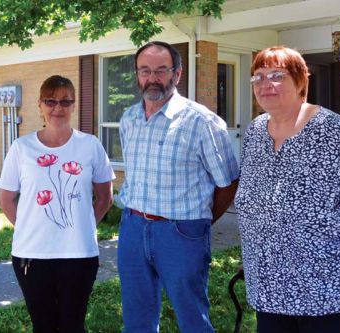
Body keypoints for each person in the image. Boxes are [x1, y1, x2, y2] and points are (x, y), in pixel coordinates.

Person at [235, 46, 340, 333]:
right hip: (273, 292)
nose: (265, 84)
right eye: (258, 76)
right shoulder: (256, 132)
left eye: (277, 75)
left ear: (301, 82)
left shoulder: (333, 132)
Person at [118, 41, 240, 333]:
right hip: (133, 228)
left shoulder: (201, 121)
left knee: (192, 316)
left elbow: (229, 182)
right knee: (136, 316)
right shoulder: (129, 119)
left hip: (181, 233)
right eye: (145, 70)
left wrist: (201, 221)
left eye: (161, 70)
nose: (152, 78)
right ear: (137, 74)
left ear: (177, 74)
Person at [0, 75, 115, 333]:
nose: (57, 108)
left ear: (73, 105)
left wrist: (82, 226)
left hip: (79, 254)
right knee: (44, 325)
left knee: (73, 325)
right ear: (39, 105)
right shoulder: (21, 148)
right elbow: (5, 200)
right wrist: (29, 226)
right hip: (32, 255)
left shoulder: (90, 145)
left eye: (65, 101)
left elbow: (105, 198)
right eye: (50, 101)